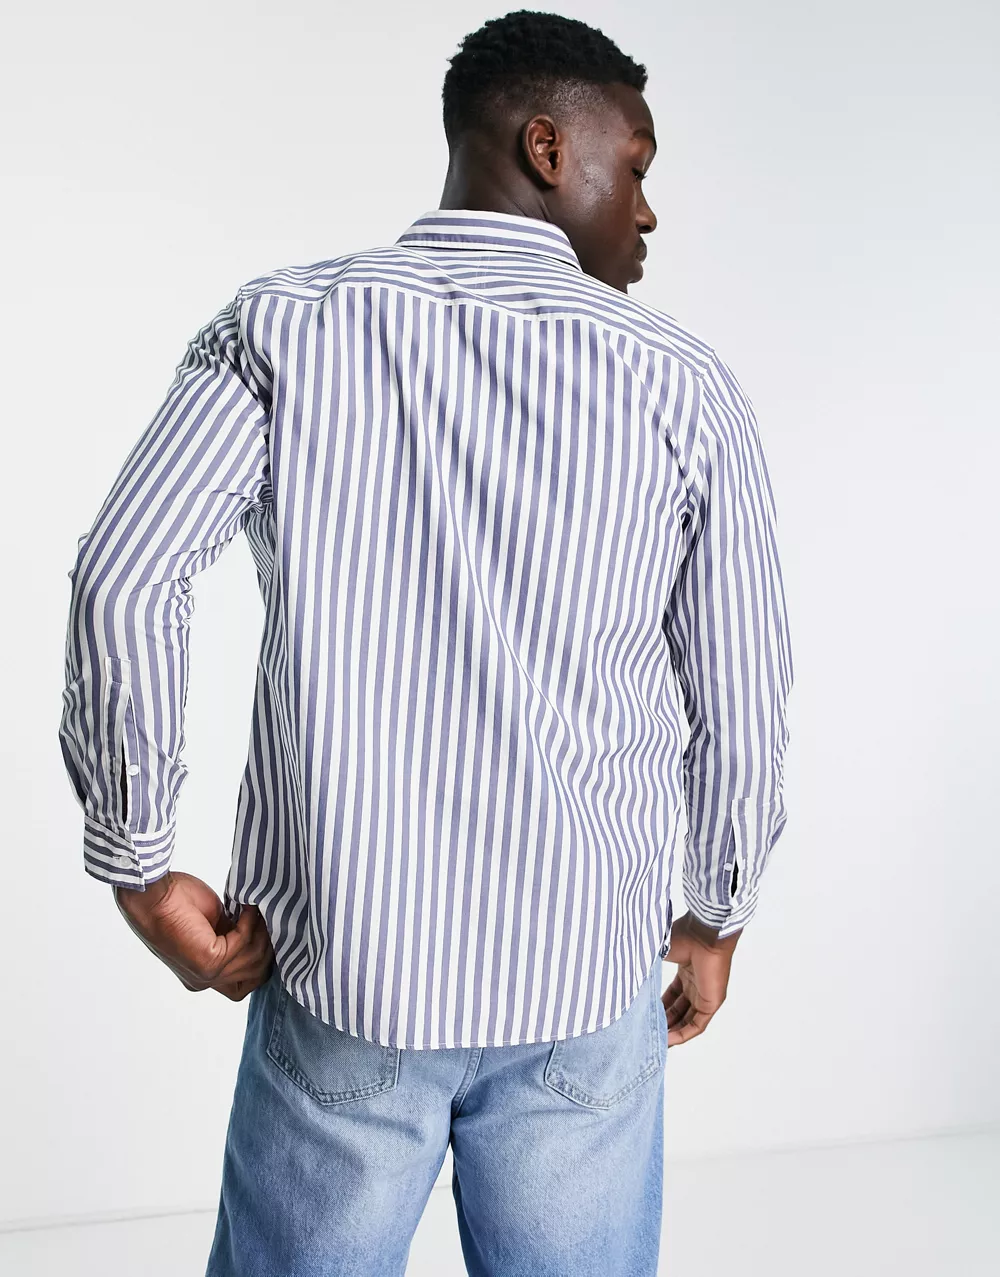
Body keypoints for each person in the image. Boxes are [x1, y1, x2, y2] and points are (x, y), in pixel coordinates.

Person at [58, 9, 793, 1275]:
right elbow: (742, 688)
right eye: (637, 165)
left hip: (349, 979)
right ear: (548, 147)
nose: (648, 211)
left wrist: (140, 867)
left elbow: (124, 575)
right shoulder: (682, 383)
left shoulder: (286, 328)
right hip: (582, 989)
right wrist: (716, 911)